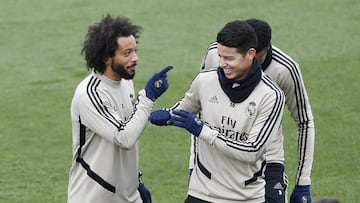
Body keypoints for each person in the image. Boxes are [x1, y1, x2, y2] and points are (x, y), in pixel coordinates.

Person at [149, 20, 287, 203]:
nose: (222, 63)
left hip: (245, 197)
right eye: (220, 56)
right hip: (202, 192)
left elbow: (252, 150)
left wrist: (203, 131)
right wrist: (167, 115)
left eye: (229, 58)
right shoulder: (205, 81)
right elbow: (185, 108)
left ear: (250, 54)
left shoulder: (271, 96)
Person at [198, 18, 315, 203]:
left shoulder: (285, 69)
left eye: (255, 57)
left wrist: (303, 182)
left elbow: (304, 122)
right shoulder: (218, 54)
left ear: (265, 48)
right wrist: (193, 165)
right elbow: (199, 111)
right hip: (219, 160)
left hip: (268, 163)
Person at [67, 14, 173, 203]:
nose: (135, 58)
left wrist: (137, 181)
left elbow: (130, 126)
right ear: (107, 58)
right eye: (127, 53)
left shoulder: (124, 82)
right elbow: (123, 138)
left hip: (129, 196)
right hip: (94, 197)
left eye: (135, 51)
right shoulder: (90, 94)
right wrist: (148, 97)